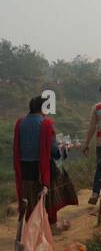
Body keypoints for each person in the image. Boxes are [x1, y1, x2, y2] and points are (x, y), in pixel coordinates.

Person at [13, 96, 56, 226]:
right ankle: (49, 223)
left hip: (23, 167)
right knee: (47, 192)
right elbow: (54, 150)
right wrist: (64, 151)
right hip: (40, 168)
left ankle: (31, 223)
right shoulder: (46, 123)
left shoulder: (20, 122)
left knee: (28, 196)